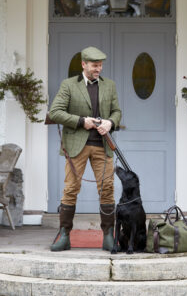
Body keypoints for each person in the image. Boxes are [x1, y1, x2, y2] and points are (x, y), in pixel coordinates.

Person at [49, 46, 122, 251]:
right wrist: (82, 121)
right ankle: (64, 236)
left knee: (107, 190)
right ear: (84, 64)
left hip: (102, 145)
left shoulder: (110, 86)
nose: (98, 69)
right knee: (71, 189)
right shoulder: (69, 85)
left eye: (100, 65)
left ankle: (108, 236)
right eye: (94, 65)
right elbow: (55, 112)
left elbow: (117, 111)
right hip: (76, 146)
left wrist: (111, 123)